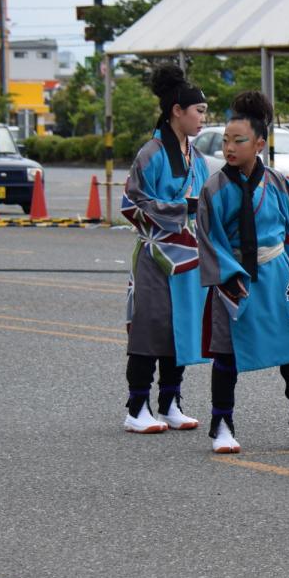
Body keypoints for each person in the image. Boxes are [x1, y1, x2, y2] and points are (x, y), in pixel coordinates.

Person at [197, 91, 289, 454]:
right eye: (224, 141)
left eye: (239, 141)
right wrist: (229, 277)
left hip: (277, 274)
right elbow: (209, 239)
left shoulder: (279, 183)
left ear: (259, 144)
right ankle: (222, 424)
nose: (229, 148)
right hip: (233, 279)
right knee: (226, 355)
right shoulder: (214, 188)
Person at [121, 64, 211, 434]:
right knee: (150, 325)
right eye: (199, 111)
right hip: (156, 254)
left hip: (189, 256)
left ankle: (171, 401)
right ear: (177, 111)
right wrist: (181, 209)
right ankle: (136, 406)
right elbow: (130, 205)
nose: (204, 118)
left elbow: (206, 206)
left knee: (182, 326)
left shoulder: (200, 159)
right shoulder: (151, 153)